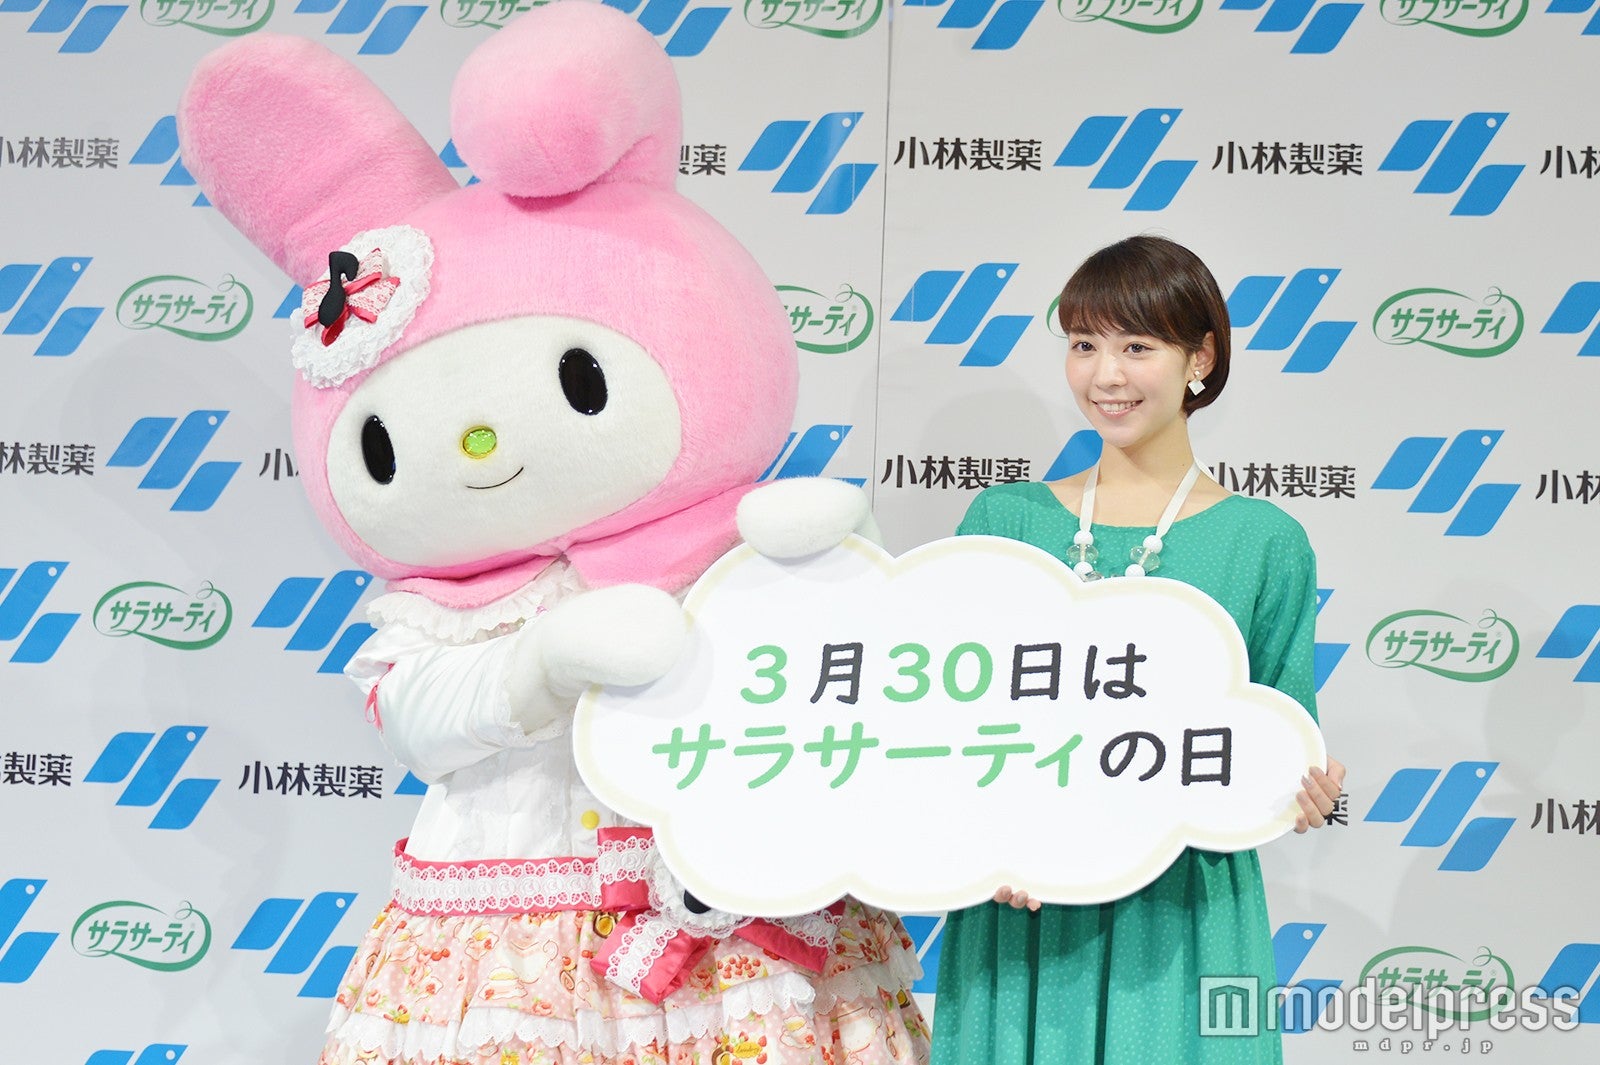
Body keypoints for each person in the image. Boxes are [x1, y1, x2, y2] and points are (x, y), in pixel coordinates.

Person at [930, 234, 1345, 1065]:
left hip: (1181, 911)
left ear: (1201, 358)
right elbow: (945, 722)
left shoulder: (1264, 542)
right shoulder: (1004, 521)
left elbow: (1278, 732)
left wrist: (1305, 791)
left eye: (1137, 347)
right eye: (1084, 344)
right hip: (1021, 903)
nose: (1105, 375)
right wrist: (986, 841)